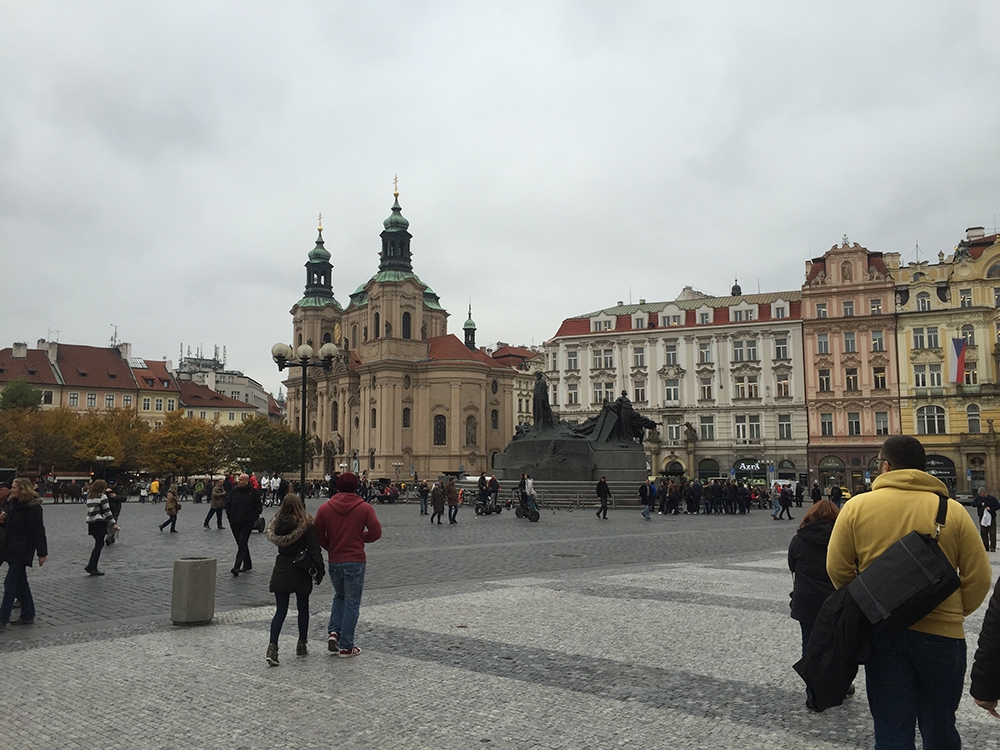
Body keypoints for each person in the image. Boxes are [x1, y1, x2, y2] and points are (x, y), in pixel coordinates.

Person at [827, 435, 991, 749]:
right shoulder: (952, 511)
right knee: (940, 725)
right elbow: (979, 577)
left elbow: (838, 569)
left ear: (886, 466)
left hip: (882, 632)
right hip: (942, 637)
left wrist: (871, 604)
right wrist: (952, 612)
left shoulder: (856, 507)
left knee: (891, 727)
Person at [314, 472, 382, 658]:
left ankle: (334, 632)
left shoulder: (324, 508)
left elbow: (318, 533)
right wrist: (361, 537)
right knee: (352, 602)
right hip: (355, 560)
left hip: (335, 560)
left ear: (337, 486)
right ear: (356, 487)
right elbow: (376, 532)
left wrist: (330, 546)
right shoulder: (364, 508)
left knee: (339, 596)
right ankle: (346, 646)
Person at [788, 500, 841, 707]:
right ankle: (839, 687)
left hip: (807, 602)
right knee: (837, 647)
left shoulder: (799, 540)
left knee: (809, 646)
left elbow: (792, 565)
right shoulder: (841, 537)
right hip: (835, 603)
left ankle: (813, 694)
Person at [264, 493, 325, 666]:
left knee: (280, 611)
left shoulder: (277, 526)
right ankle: (301, 644)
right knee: (302, 608)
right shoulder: (306, 524)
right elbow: (314, 549)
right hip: (301, 569)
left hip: (282, 569)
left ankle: (272, 647)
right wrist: (319, 569)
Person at [0, 478, 47, 627]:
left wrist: (42, 553)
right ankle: (28, 613)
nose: (11, 490)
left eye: (14, 487)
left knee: (10, 583)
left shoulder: (32, 508)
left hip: (22, 549)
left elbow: (39, 532)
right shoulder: (13, 505)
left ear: (22, 489)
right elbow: (10, 527)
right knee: (21, 583)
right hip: (11, 548)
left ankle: (2, 618)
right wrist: (2, 520)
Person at [225, 473, 263, 577]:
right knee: (241, 543)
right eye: (239, 479)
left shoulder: (253, 493)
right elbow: (227, 504)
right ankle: (247, 564)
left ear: (247, 482)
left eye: (241, 480)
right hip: (234, 522)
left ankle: (236, 566)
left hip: (247, 522)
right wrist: (230, 516)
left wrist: (252, 518)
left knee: (242, 542)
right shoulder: (234, 491)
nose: (238, 481)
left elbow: (258, 508)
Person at [84, 479, 117, 576]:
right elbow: (107, 512)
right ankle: (92, 567)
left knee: (98, 544)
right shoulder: (102, 497)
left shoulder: (90, 497)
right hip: (99, 522)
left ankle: (91, 565)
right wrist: (113, 523)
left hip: (91, 522)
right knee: (99, 545)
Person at [975, 487, 1000, 552]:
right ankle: (985, 547)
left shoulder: (992, 499)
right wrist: (980, 504)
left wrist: (991, 509)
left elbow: (998, 506)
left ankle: (992, 547)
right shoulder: (979, 498)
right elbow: (973, 504)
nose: (980, 495)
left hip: (991, 517)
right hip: (982, 517)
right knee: (983, 533)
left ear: (985, 492)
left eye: (981, 493)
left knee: (992, 532)